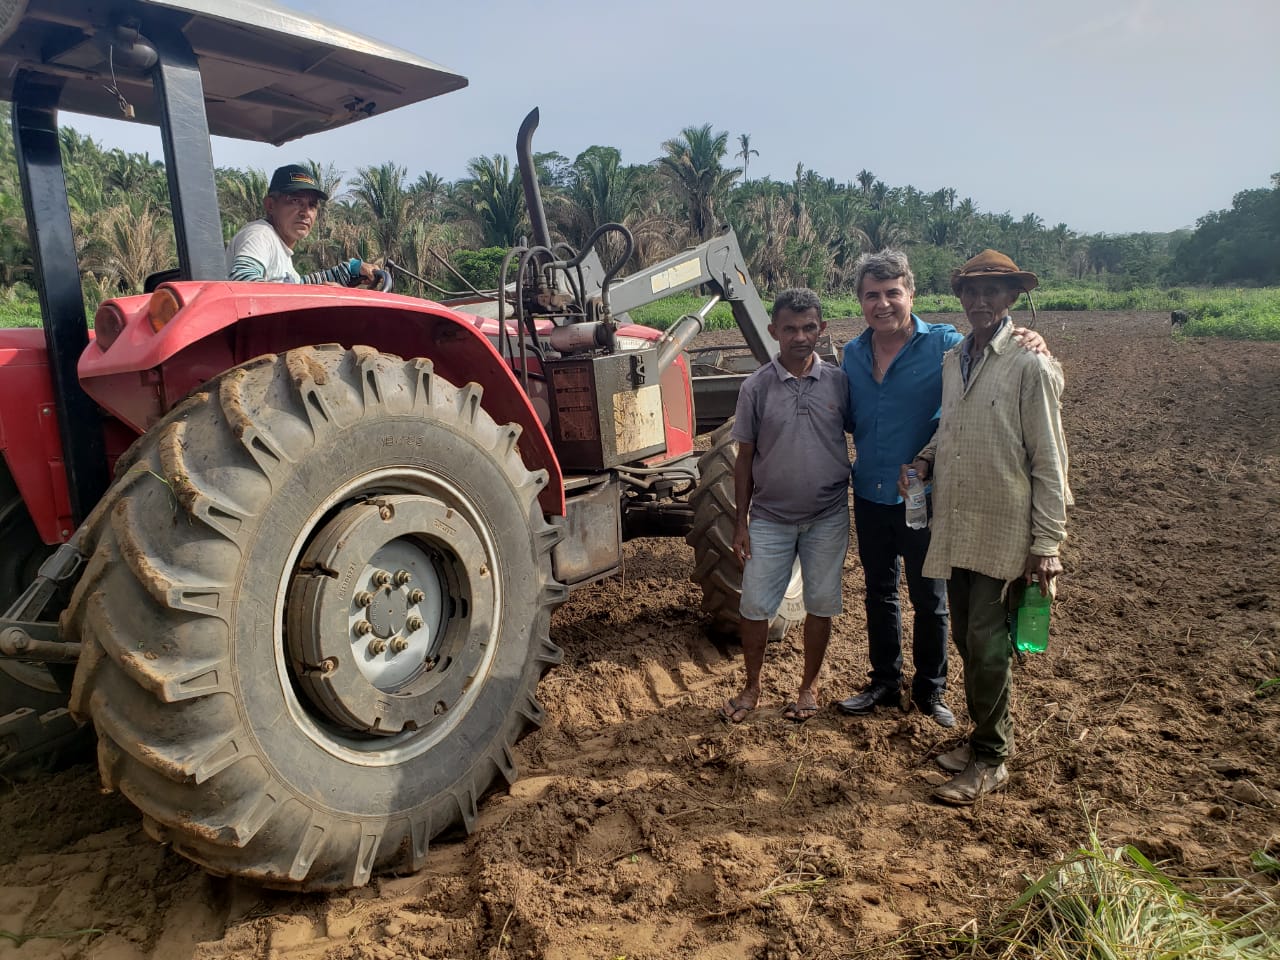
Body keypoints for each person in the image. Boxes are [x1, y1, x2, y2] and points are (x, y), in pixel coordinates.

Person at [834, 250, 1046, 728]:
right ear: (860, 301)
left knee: (930, 599)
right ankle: (885, 682)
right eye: (871, 295)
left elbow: (995, 342)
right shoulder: (852, 354)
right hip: (869, 491)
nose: (882, 304)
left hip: (924, 498)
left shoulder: (945, 345)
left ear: (911, 294)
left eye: (892, 293)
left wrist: (1033, 337)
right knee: (878, 593)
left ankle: (931, 690)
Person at [903, 249, 1070, 805]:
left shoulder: (1029, 364)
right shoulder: (955, 359)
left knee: (990, 645)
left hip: (1006, 530)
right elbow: (953, 426)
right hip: (958, 522)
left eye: (992, 290)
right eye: (972, 291)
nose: (980, 300)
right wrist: (926, 459)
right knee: (967, 640)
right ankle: (982, 740)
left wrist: (1047, 543)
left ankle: (992, 758)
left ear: (1012, 297)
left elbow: (1049, 459)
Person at [718, 288, 851, 725]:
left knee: (821, 603)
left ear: (822, 329)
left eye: (809, 327)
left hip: (827, 516)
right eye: (790, 328)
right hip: (770, 518)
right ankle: (752, 687)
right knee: (755, 606)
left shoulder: (838, 383)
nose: (800, 337)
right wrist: (741, 522)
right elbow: (743, 460)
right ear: (773, 330)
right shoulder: (755, 387)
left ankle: (808, 688)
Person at [226, 163, 378, 285]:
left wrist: (349, 270)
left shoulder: (281, 250)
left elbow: (300, 286)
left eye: (312, 205)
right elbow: (243, 282)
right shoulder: (260, 235)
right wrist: (320, 297)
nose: (306, 212)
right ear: (270, 205)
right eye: (295, 201)